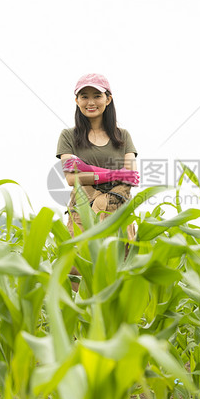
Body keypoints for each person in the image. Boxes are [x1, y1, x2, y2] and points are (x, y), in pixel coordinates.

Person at [56, 73, 139, 289]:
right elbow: (71, 178)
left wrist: (87, 171)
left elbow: (131, 175)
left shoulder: (123, 136)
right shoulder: (68, 136)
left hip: (117, 208)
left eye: (97, 96)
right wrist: (113, 174)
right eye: (84, 96)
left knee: (119, 268)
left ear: (108, 99)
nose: (90, 102)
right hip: (82, 209)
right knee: (77, 268)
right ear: (77, 101)